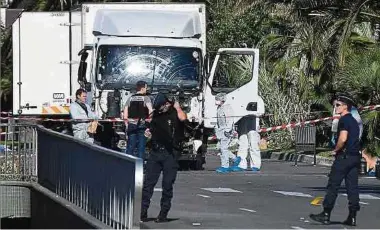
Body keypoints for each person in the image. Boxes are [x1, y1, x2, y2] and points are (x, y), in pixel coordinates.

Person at [310, 94, 361, 226]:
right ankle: (352, 216)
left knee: (333, 185)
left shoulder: (344, 120)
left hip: (343, 157)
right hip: (355, 157)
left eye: (338, 105)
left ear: (345, 106)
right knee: (352, 187)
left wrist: (336, 150)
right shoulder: (354, 121)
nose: (335, 107)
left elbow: (343, 138)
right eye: (335, 105)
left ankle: (326, 214)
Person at [140, 93, 187, 223]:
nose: (160, 110)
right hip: (156, 152)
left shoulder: (174, 112)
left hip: (170, 153)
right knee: (148, 184)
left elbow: (183, 119)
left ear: (167, 103)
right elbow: (150, 127)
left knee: (167, 184)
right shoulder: (156, 114)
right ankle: (142, 212)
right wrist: (148, 132)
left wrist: (177, 107)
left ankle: (163, 214)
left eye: (161, 107)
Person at [231, 97, 265, 172]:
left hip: (253, 121)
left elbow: (261, 112)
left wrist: (250, 112)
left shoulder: (257, 99)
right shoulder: (241, 97)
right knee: (242, 143)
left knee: (253, 144)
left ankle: (255, 165)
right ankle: (241, 165)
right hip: (242, 121)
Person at [123, 81, 153, 159]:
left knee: (130, 147)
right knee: (141, 148)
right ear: (142, 88)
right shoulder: (146, 98)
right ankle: (140, 167)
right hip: (142, 125)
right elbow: (150, 111)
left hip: (131, 125)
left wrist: (127, 124)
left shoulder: (130, 98)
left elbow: (125, 113)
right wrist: (150, 122)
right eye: (146, 88)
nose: (146, 90)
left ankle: (127, 164)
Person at [214, 93, 240, 173]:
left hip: (226, 131)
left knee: (223, 148)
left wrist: (228, 130)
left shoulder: (227, 108)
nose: (216, 101)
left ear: (222, 100)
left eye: (218, 99)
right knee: (220, 147)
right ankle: (235, 159)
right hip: (221, 131)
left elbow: (230, 120)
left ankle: (225, 166)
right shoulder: (220, 108)